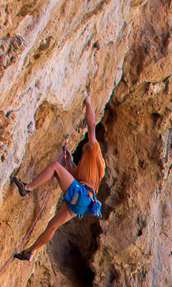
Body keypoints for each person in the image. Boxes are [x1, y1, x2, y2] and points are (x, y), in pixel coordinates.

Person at [10, 93, 105, 262]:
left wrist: (88, 102)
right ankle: (31, 252)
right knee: (52, 226)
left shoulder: (94, 151)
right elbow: (71, 172)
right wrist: (68, 155)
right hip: (82, 202)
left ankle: (27, 188)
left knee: (54, 167)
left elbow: (91, 126)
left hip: (82, 195)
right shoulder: (88, 167)